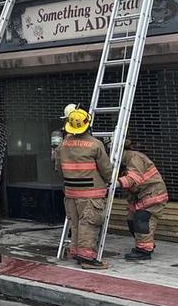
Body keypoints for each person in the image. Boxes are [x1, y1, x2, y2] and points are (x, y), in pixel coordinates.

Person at [56, 106, 113, 270]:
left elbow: (58, 168)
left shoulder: (63, 145)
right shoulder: (95, 145)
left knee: (75, 223)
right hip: (91, 195)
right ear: (88, 124)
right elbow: (106, 169)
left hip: (71, 193)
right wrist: (109, 181)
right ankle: (87, 259)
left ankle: (75, 252)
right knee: (88, 224)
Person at [118, 141, 169, 261]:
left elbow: (134, 178)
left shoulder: (134, 157)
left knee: (142, 220)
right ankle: (146, 244)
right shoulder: (122, 162)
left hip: (153, 194)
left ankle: (144, 250)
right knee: (131, 221)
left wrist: (118, 183)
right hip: (141, 195)